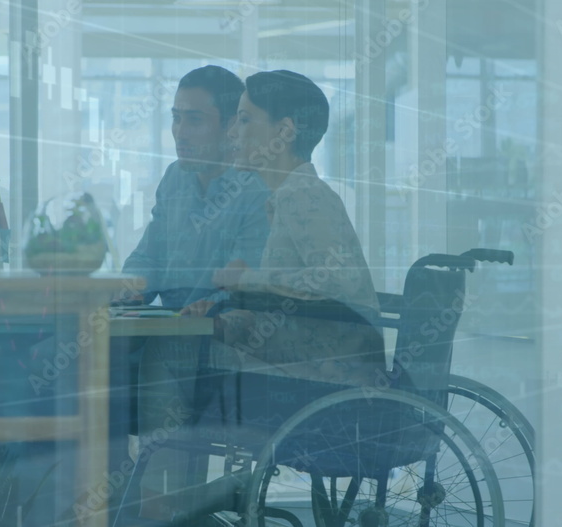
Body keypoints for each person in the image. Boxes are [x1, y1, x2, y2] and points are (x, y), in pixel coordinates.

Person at [136, 70, 385, 522]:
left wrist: (249, 280)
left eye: (245, 120)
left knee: (168, 351)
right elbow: (293, 297)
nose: (234, 132)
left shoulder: (304, 194)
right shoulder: (285, 195)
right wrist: (231, 304)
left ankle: (160, 502)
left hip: (325, 374)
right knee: (176, 344)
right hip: (307, 356)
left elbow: (332, 286)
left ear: (285, 132)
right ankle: (172, 501)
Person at [120, 65, 270, 309]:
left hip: (217, 336)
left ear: (231, 125)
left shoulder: (257, 189)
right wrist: (126, 290)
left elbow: (243, 287)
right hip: (164, 333)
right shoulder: (175, 177)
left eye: (194, 120)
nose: (180, 133)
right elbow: (149, 255)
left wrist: (208, 309)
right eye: (176, 118)